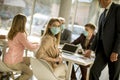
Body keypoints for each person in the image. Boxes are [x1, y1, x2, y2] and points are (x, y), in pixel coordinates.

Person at [85, 0, 120, 80]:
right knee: (93, 71)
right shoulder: (102, 15)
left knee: (113, 77)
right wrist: (91, 49)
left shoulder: (118, 9)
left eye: (99, 0)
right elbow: (98, 34)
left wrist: (116, 51)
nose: (98, 2)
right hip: (102, 51)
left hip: (115, 51)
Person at [3, 13, 39, 80]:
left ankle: (23, 72)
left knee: (31, 60)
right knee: (30, 73)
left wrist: (32, 43)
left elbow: (22, 43)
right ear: (23, 23)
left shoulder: (11, 32)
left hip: (7, 60)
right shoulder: (21, 34)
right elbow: (30, 47)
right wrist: (38, 45)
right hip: (15, 63)